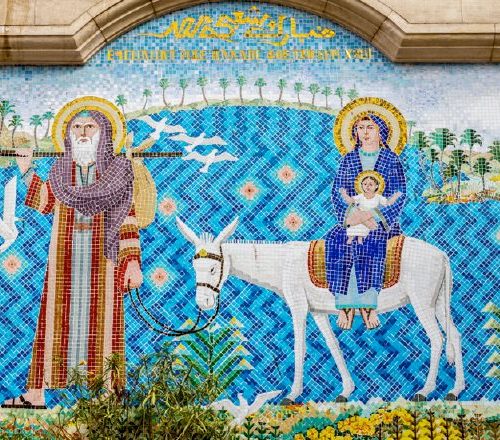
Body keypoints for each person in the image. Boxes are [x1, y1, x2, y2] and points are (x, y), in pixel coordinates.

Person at [2, 106, 143, 409]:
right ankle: (36, 394)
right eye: (76, 127)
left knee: (105, 325)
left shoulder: (116, 172)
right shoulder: (60, 171)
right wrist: (26, 171)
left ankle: (109, 393)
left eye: (89, 127)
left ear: (104, 133)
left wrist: (132, 261)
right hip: (65, 261)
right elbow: (44, 202)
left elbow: (127, 218)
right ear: (67, 134)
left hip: (103, 263)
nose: (82, 133)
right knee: (53, 323)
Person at [325, 114, 406, 330]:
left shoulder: (391, 160)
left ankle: (368, 304)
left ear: (381, 132)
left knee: (372, 243)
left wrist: (376, 216)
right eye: (360, 127)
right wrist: (351, 217)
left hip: (379, 222)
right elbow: (339, 191)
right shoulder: (349, 159)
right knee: (336, 240)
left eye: (370, 127)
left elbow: (399, 192)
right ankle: (345, 304)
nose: (365, 132)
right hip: (352, 218)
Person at [340, 174, 402, 244]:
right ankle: (351, 237)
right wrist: (344, 194)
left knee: (368, 215)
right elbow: (351, 201)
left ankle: (360, 238)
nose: (367, 186)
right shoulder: (360, 196)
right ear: (361, 185)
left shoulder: (378, 197)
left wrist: (395, 196)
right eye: (365, 184)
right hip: (360, 215)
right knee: (355, 213)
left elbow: (388, 203)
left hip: (370, 216)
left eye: (370, 184)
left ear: (376, 186)